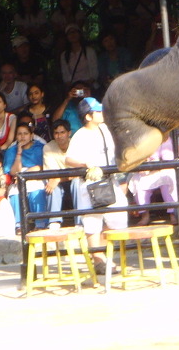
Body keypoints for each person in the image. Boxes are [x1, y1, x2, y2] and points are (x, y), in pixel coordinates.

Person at [65, 97, 128, 272]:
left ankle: (104, 255)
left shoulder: (106, 129)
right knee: (92, 221)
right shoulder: (80, 135)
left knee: (118, 217)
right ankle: (98, 260)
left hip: (110, 179)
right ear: (88, 116)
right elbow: (68, 159)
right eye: (98, 111)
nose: (102, 113)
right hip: (90, 183)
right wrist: (85, 164)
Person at [3, 121, 47, 231]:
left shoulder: (40, 148)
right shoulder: (11, 150)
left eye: (25, 133)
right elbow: (13, 172)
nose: (22, 137)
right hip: (18, 178)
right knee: (15, 192)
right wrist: (19, 152)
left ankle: (40, 224)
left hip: (36, 177)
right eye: (19, 134)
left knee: (37, 190)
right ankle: (20, 225)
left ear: (31, 135)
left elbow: (43, 166)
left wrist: (27, 175)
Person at [42, 119, 72, 229]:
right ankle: (54, 221)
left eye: (62, 132)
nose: (59, 136)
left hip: (74, 179)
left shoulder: (76, 144)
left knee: (77, 183)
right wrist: (56, 180)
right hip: (59, 181)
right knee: (52, 186)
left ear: (69, 133)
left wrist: (58, 179)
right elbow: (51, 174)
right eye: (56, 133)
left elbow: (78, 172)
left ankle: (80, 220)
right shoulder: (48, 147)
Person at [60, 24, 98, 89]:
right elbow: (65, 75)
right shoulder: (64, 55)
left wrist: (86, 84)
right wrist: (73, 87)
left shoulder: (89, 51)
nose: (73, 34)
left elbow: (95, 71)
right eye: (70, 33)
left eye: (75, 32)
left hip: (89, 85)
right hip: (74, 87)